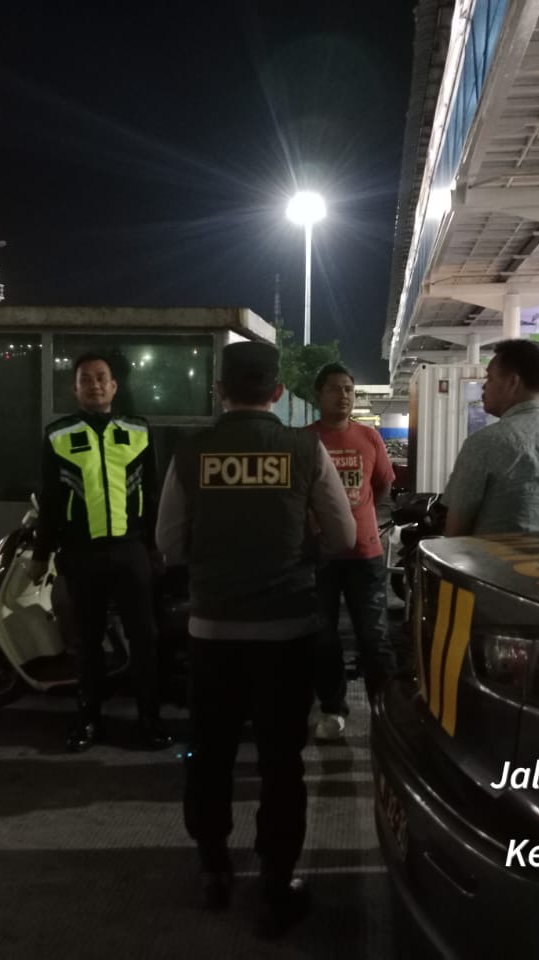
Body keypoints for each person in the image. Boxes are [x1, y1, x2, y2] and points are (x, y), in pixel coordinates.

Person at [156, 341, 354, 940]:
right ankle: (276, 885)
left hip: (213, 631)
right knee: (281, 763)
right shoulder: (305, 449)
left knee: (210, 754)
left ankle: (214, 869)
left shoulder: (191, 453)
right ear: (278, 393)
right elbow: (345, 536)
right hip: (286, 631)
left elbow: (168, 543)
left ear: (220, 391)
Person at [30, 352, 172, 753]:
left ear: (114, 386)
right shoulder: (58, 435)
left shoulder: (139, 431)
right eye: (85, 379)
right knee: (86, 641)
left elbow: (154, 495)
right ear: (75, 388)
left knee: (144, 638)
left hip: (131, 552)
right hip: (81, 555)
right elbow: (50, 500)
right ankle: (89, 720)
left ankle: (149, 720)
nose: (94, 385)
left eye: (101, 378)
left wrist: (156, 548)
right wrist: (41, 554)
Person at [305, 362, 395, 740]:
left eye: (348, 389)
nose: (343, 395)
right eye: (334, 389)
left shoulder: (369, 437)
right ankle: (332, 710)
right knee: (322, 639)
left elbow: (383, 486)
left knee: (374, 639)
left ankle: (385, 714)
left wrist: (361, 519)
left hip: (365, 556)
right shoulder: (305, 440)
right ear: (318, 395)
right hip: (319, 559)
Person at [444, 339, 539, 536]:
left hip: (490, 556)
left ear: (512, 382)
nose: (484, 387)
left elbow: (455, 535)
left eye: (489, 378)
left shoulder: (485, 444)